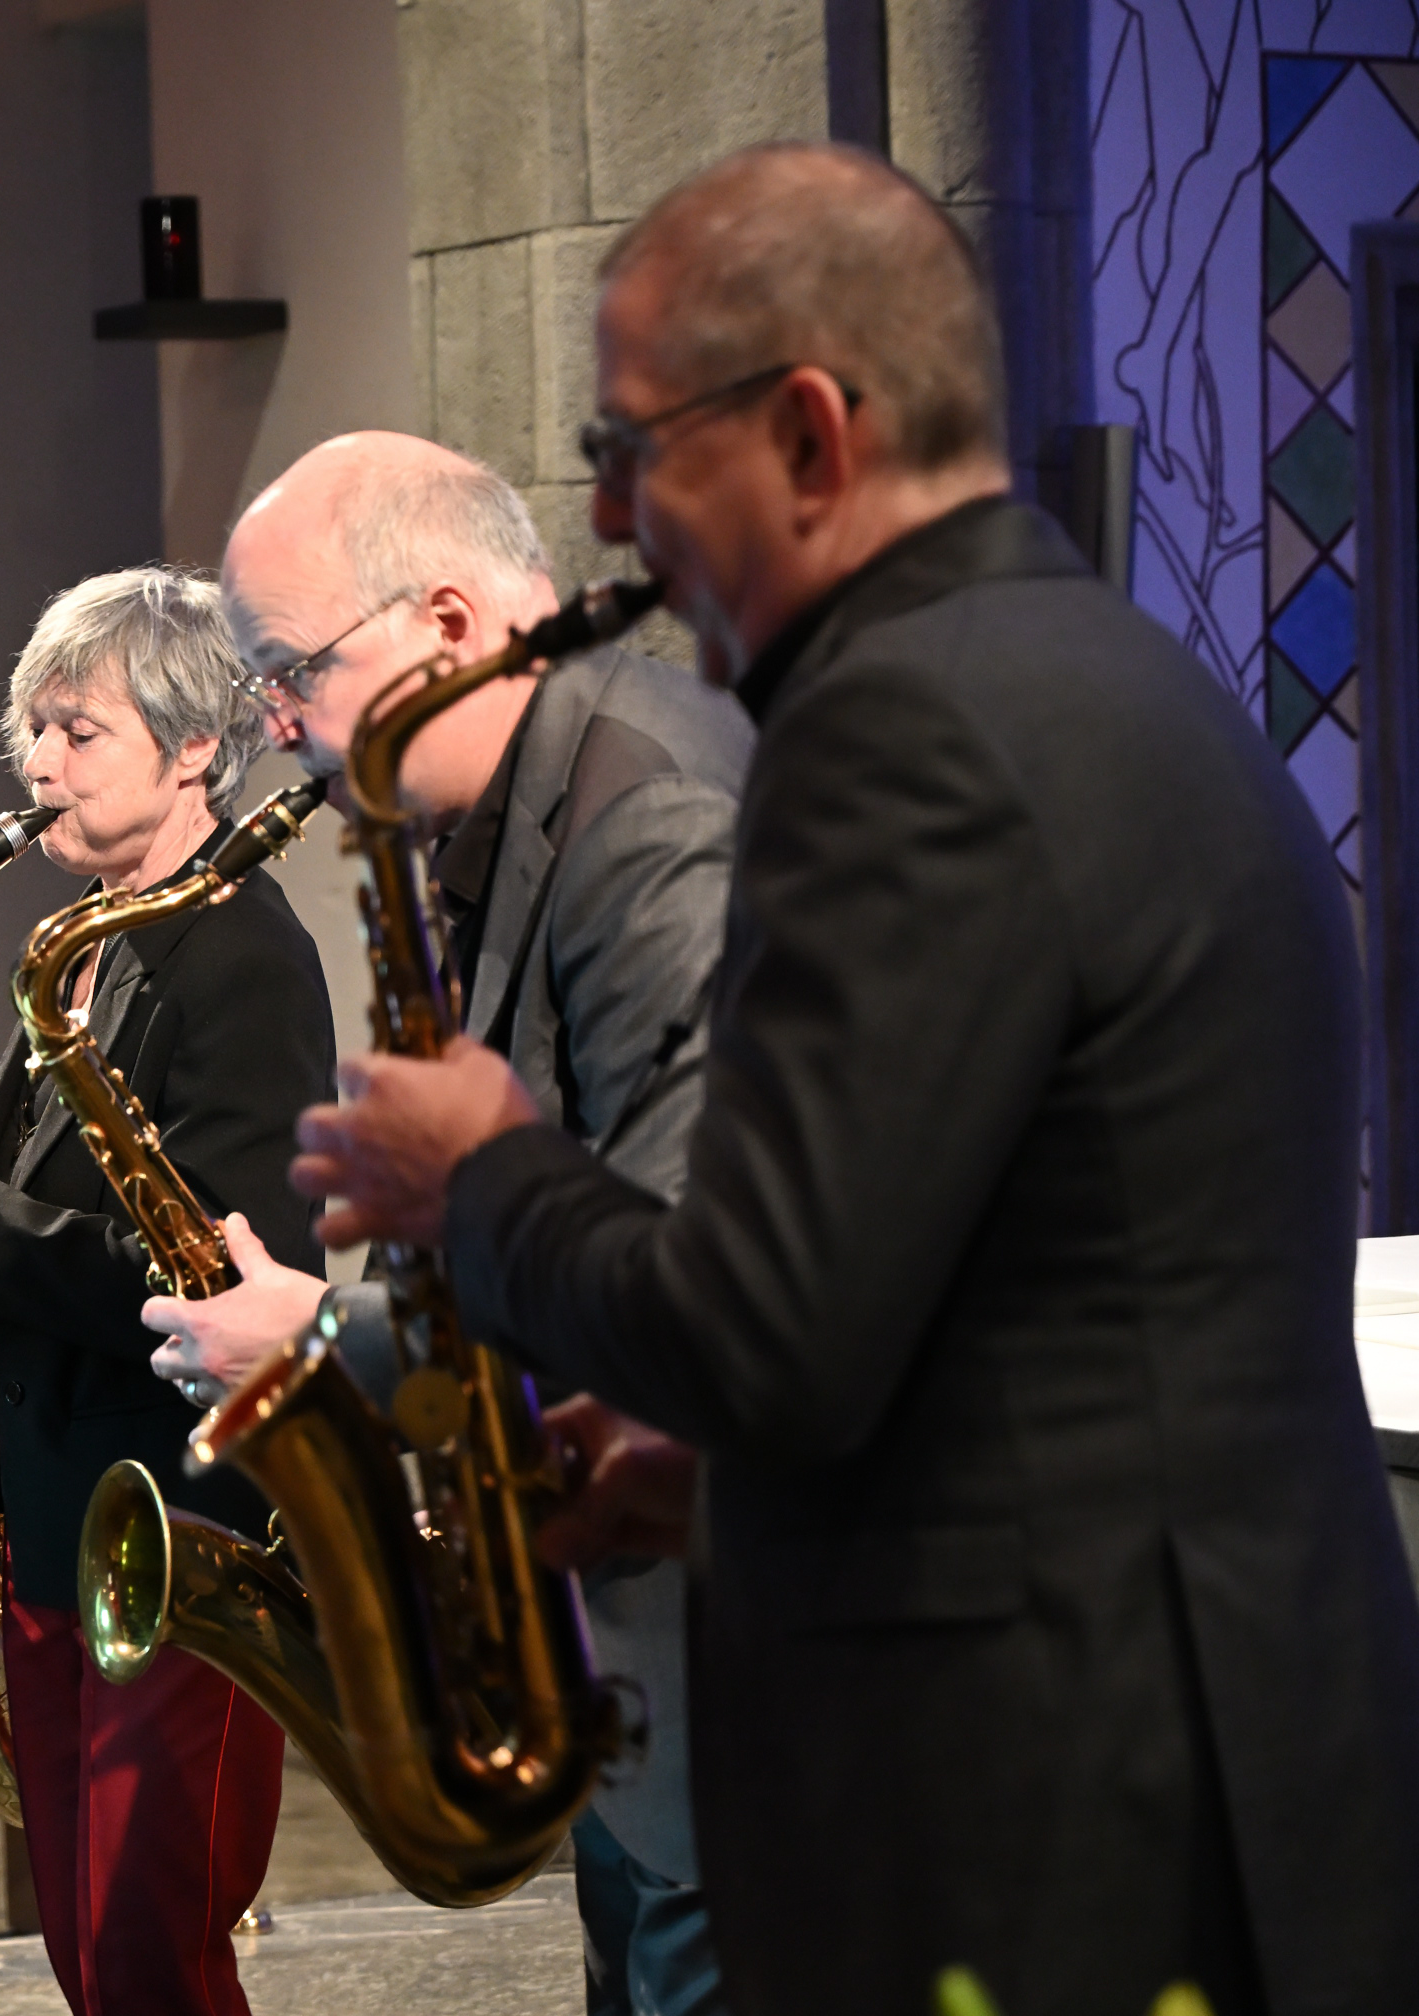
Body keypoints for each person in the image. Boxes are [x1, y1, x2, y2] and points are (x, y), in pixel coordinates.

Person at [291, 141, 1419, 2016]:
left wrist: (480, 1171)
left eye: (637, 444)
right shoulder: (1091, 672)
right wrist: (702, 1487)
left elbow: (768, 1335)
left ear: (809, 433)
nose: (612, 513)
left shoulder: (900, 731)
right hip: (1210, 1770)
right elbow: (1042, 1336)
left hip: (1052, 1829)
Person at [144, 431, 748, 2016]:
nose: (274, 728)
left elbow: (681, 1286)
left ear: (454, 625)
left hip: (742, 1695)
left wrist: (326, 1331)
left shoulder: (649, 821)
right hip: (634, 1672)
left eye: (292, 673)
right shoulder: (509, 819)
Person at [0, 567, 336, 2016]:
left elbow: (228, 1286)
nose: (38, 764)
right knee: (87, 1951)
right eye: (29, 733)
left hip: (181, 1533)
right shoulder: (93, 946)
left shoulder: (241, 955)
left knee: (151, 1952)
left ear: (193, 750)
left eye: (76, 729)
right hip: (60, 1518)